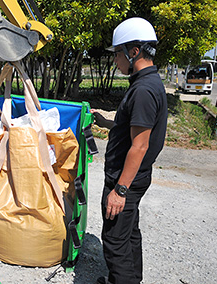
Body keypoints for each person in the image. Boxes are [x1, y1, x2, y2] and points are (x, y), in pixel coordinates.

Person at [92, 17, 168, 284]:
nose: (116, 61)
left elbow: (140, 144)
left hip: (125, 180)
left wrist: (119, 191)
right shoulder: (147, 83)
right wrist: (106, 121)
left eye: (117, 54)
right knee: (129, 234)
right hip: (134, 178)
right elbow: (135, 127)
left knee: (114, 242)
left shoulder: (144, 90)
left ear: (133, 51)